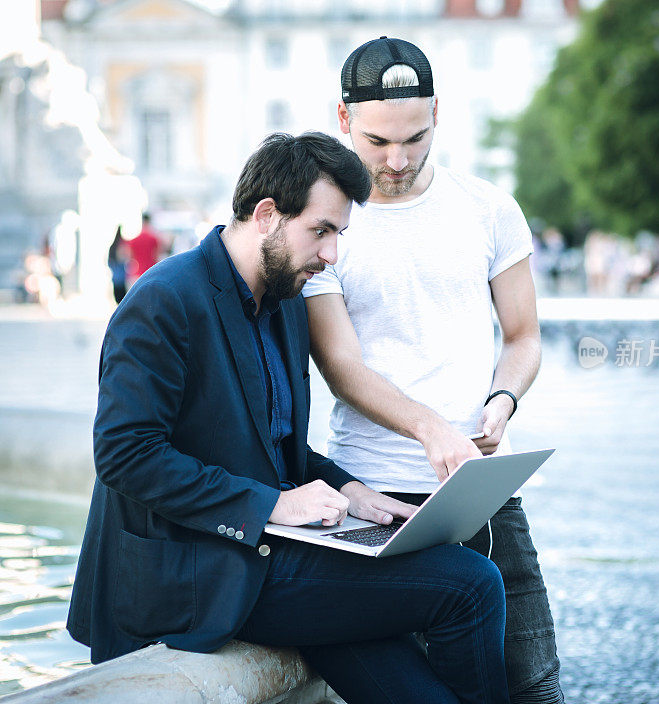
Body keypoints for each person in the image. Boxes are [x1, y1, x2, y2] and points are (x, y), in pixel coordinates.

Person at [67, 132, 511, 704]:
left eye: (338, 235)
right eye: (320, 231)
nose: (331, 255)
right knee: (471, 585)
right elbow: (125, 456)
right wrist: (275, 504)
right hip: (195, 573)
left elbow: (276, 447)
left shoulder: (285, 302)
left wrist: (350, 491)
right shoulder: (162, 300)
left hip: (266, 555)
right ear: (268, 215)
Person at [303, 37, 563, 704]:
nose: (398, 159)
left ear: (438, 113)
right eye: (378, 141)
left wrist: (503, 400)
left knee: (535, 687)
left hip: (483, 494)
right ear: (343, 120)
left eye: (415, 138)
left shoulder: (489, 208)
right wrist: (429, 429)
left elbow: (524, 335)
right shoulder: (327, 226)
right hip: (376, 497)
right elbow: (339, 363)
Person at [127, 212, 162, 282]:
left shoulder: (134, 240)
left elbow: (130, 257)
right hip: (151, 273)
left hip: (137, 274)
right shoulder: (154, 239)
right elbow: (157, 256)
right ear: (149, 221)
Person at [107, 225, 129, 304]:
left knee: (117, 297)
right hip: (122, 276)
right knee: (123, 298)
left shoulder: (112, 246)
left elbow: (109, 262)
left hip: (116, 277)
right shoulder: (122, 245)